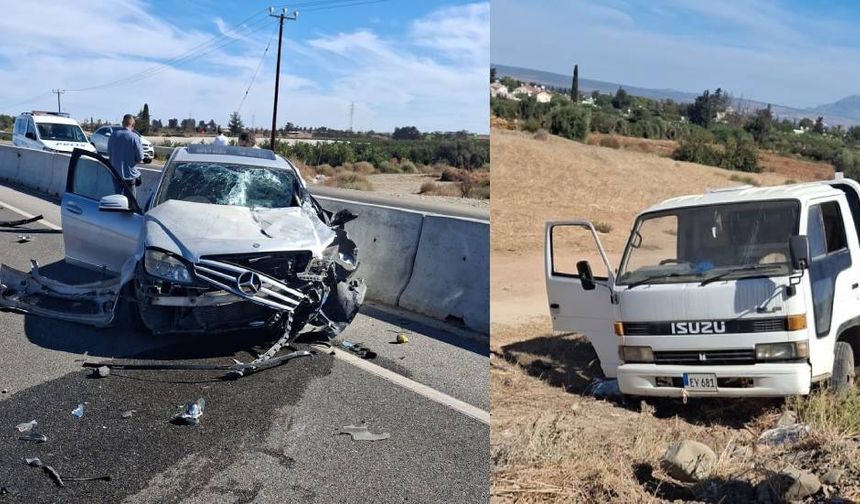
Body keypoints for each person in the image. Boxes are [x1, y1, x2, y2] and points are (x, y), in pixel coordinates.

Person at [107, 114, 143, 197]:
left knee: (118, 201)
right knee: (131, 204)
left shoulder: (113, 135)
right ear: (133, 125)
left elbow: (109, 153)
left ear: (123, 123)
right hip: (130, 176)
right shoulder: (134, 137)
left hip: (116, 175)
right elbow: (140, 157)